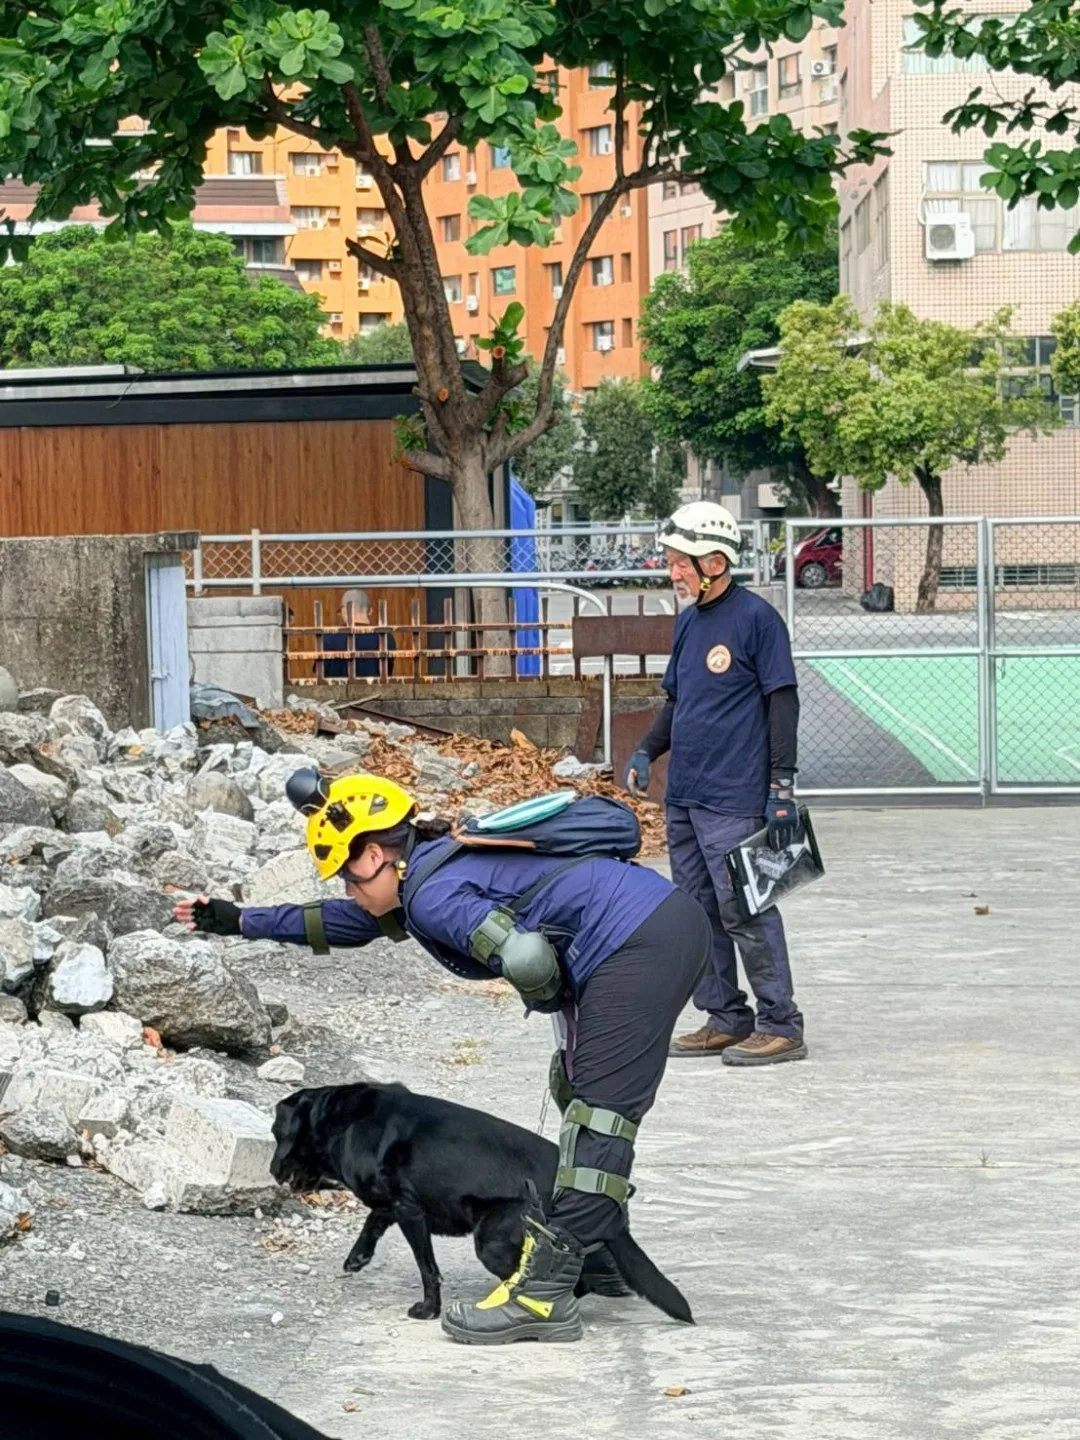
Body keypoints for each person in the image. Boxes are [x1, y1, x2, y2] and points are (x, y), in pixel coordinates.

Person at [174, 771, 710, 1347]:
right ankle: (597, 1256)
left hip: (637, 943)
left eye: (349, 880)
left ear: (376, 854)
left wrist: (553, 995)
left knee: (598, 1116)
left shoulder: (431, 894)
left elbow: (526, 957)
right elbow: (344, 922)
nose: (349, 893)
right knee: (582, 1097)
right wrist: (238, 920)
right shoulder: (434, 865)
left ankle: (541, 1297)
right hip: (655, 924)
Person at [625, 501, 807, 1066]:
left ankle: (782, 1023)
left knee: (747, 910)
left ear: (713, 560)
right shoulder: (688, 621)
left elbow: (783, 703)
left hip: (735, 797)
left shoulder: (757, 620)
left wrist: (781, 787)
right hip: (685, 794)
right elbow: (677, 700)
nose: (672, 572)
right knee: (697, 911)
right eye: (672, 561)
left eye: (680, 562)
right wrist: (648, 750)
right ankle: (725, 1017)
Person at [321, 588, 396, 679]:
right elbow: (388, 671)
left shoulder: (329, 637)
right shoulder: (386, 637)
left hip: (336, 692)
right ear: (370, 611)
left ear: (344, 610)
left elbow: (320, 674)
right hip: (376, 692)